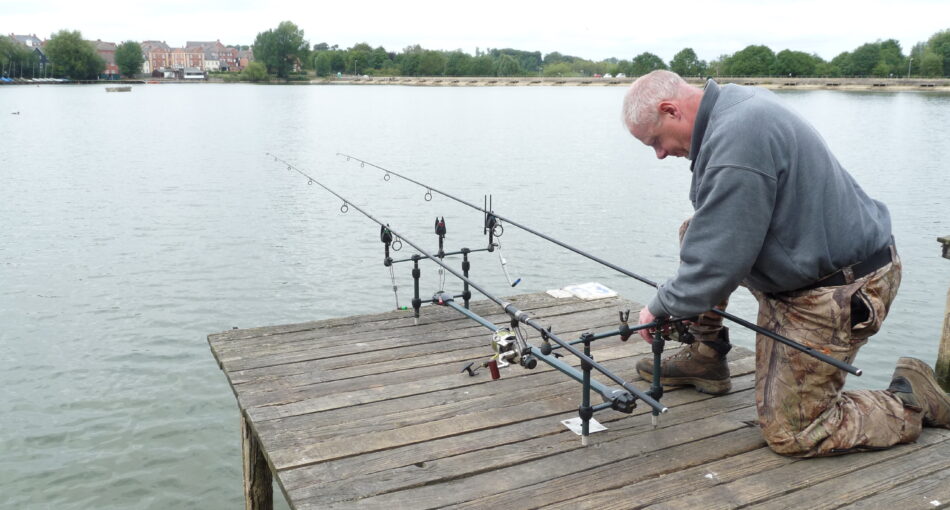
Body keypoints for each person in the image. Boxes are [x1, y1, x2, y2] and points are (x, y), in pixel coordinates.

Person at [621, 70, 950, 457]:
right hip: (802, 263)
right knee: (696, 230)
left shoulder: (736, 138)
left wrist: (659, 308)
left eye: (655, 141)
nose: (660, 154)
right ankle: (707, 357)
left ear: (670, 109)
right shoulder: (733, 105)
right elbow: (716, 238)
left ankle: (914, 401)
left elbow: (714, 264)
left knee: (794, 432)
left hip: (838, 290)